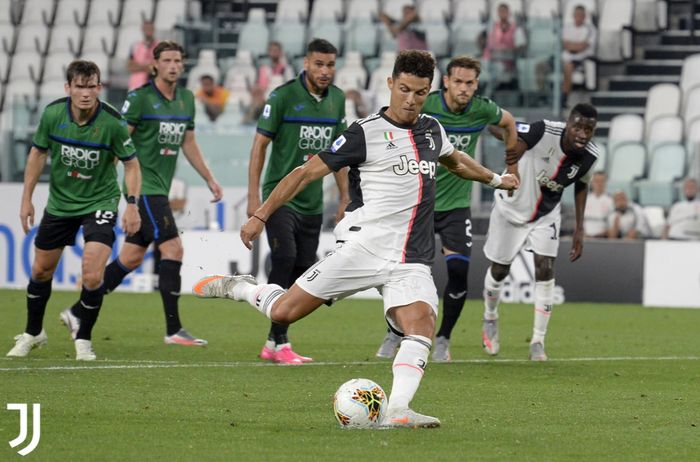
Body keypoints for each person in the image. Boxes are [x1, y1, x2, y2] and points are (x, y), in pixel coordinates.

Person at [192, 50, 518, 428]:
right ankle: (241, 287)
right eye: (405, 90)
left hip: (410, 258)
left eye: (420, 92)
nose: (411, 100)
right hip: (363, 249)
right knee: (284, 312)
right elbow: (304, 173)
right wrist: (260, 215)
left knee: (423, 322)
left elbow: (456, 160)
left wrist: (496, 179)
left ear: (430, 91)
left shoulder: (432, 129)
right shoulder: (365, 132)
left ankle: (398, 410)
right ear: (391, 84)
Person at [375, 55, 519, 362]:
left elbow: (508, 122)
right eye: (458, 82)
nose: (464, 88)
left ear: (476, 85)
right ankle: (394, 332)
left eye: (469, 83)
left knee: (458, 272)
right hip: (418, 203)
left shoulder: (482, 109)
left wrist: (512, 164)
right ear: (446, 83)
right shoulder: (426, 105)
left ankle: (443, 339)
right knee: (400, 273)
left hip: (456, 206)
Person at [6, 60, 142, 360]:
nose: (85, 93)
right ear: (68, 88)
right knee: (41, 270)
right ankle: (33, 332)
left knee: (92, 275)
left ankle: (84, 338)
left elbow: (131, 164)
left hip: (100, 202)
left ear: (99, 88)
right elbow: (37, 154)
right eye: (79, 86)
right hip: (60, 204)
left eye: (91, 86)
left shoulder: (112, 122)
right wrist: (26, 198)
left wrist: (131, 204)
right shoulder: (53, 114)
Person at [96, 41, 224, 347]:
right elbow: (119, 141)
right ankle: (174, 330)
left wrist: (209, 178)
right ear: (154, 65)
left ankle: (80, 309)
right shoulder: (140, 99)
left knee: (130, 257)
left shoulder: (186, 100)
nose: (173, 65)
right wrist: (106, 182)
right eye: (167, 60)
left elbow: (188, 142)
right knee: (174, 249)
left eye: (178, 60)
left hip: (160, 189)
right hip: (145, 189)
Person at [246, 38, 348, 365]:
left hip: (313, 202)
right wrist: (253, 196)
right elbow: (259, 146)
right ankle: (281, 341)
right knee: (284, 257)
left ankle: (271, 343)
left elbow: (339, 155)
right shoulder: (283, 97)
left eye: (330, 65)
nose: (325, 71)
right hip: (281, 196)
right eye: (319, 64)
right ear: (306, 63)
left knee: (304, 269)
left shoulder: (337, 100)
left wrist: (345, 197)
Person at [480, 103, 599, 361]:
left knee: (545, 269)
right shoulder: (544, 130)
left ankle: (537, 341)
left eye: (588, 129)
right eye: (577, 126)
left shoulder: (590, 156)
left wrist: (579, 229)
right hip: (509, 208)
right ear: (568, 123)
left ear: (593, 131)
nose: (582, 133)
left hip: (546, 215)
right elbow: (506, 130)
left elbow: (582, 186)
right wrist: (513, 154)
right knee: (499, 270)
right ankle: (490, 316)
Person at [482, 3, 525, 89]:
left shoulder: (515, 28)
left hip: (508, 62)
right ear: (498, 13)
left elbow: (521, 45)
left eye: (505, 11)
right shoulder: (492, 27)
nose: (503, 13)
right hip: (491, 60)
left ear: (509, 13)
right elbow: (485, 42)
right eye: (501, 11)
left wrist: (511, 51)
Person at [561, 5, 597, 103]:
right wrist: (576, 45)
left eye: (581, 15)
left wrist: (572, 45)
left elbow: (582, 47)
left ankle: (563, 97)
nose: (578, 17)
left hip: (580, 60)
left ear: (585, 16)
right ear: (573, 15)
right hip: (564, 57)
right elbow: (564, 44)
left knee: (568, 66)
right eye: (577, 15)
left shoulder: (590, 29)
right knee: (541, 66)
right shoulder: (567, 28)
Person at [127, 20, 159, 90]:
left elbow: (156, 67)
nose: (148, 31)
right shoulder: (136, 46)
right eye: (146, 29)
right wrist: (147, 66)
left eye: (150, 29)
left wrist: (138, 66)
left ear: (154, 29)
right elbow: (130, 67)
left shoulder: (158, 46)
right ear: (143, 30)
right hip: (136, 85)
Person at [583, 171, 613, 238]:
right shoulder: (584, 200)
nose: (599, 184)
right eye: (597, 181)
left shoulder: (611, 201)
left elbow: (612, 223)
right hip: (585, 237)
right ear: (591, 182)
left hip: (604, 238)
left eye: (602, 181)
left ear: (606, 183)